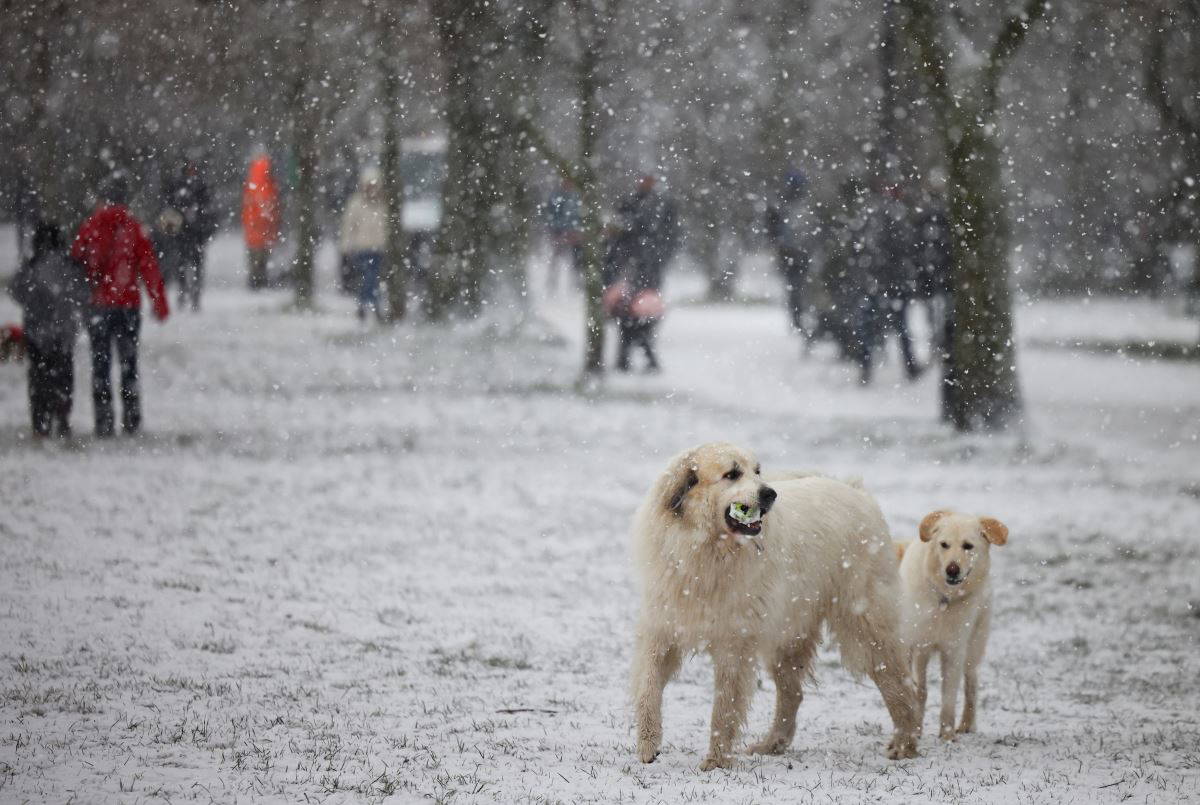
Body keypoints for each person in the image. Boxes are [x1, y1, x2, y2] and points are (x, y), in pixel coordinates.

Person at [71, 173, 170, 437]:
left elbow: (75, 263)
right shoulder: (134, 228)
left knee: (100, 365)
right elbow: (149, 267)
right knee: (129, 364)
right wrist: (159, 302)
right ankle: (131, 419)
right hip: (127, 305)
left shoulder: (90, 226)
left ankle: (103, 422)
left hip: (98, 305)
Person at [9, 222, 90, 438]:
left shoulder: (31, 267)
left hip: (36, 331)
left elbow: (16, 291)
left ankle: (40, 422)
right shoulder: (70, 266)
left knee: (38, 376)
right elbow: (83, 292)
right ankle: (62, 418)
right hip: (64, 332)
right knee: (64, 376)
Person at [608, 175, 679, 372]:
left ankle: (634, 356)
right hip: (632, 267)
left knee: (642, 314)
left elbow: (671, 234)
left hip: (649, 268)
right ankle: (633, 356)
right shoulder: (630, 203)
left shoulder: (662, 205)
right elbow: (618, 233)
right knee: (629, 314)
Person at [858, 182, 921, 384]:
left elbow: (866, 248)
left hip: (878, 281)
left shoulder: (873, 215)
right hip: (892, 282)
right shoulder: (896, 217)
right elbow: (905, 248)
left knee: (871, 326)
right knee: (901, 326)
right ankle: (909, 367)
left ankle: (866, 367)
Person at [765, 169, 814, 341]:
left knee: (796, 290)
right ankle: (801, 321)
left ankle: (801, 321)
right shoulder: (789, 205)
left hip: (795, 254)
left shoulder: (783, 204)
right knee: (797, 290)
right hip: (796, 254)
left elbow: (772, 228)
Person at [162, 160, 215, 310]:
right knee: (182, 264)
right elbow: (170, 207)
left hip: (196, 233)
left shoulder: (199, 185)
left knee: (195, 264)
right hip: (184, 233)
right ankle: (184, 293)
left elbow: (208, 208)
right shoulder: (180, 184)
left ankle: (194, 296)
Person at [339, 168, 388, 321]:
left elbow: (387, 225)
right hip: (362, 249)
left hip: (378, 248)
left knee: (372, 279)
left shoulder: (383, 204)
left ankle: (364, 306)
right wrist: (346, 246)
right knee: (369, 277)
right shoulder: (355, 204)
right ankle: (372, 307)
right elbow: (349, 226)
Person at [242, 153, 280, 290]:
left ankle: (256, 281)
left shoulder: (256, 183)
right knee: (260, 258)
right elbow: (266, 207)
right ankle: (258, 282)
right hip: (261, 229)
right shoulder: (265, 186)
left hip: (256, 229)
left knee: (256, 258)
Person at [544, 179, 583, 293]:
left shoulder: (576, 196)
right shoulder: (556, 197)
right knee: (556, 262)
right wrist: (560, 232)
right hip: (560, 233)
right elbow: (551, 216)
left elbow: (579, 215)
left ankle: (576, 287)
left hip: (574, 235)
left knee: (577, 263)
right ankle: (552, 287)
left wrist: (577, 231)